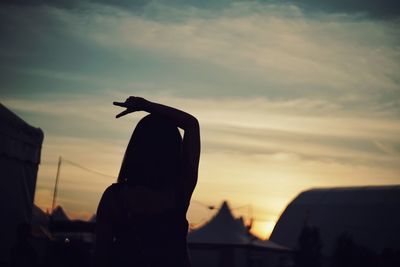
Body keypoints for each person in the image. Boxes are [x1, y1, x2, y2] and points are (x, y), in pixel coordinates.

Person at [94, 97, 200, 267]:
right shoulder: (179, 192)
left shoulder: (114, 197)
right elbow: (191, 124)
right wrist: (147, 106)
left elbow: (101, 255)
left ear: (136, 149)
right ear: (174, 152)